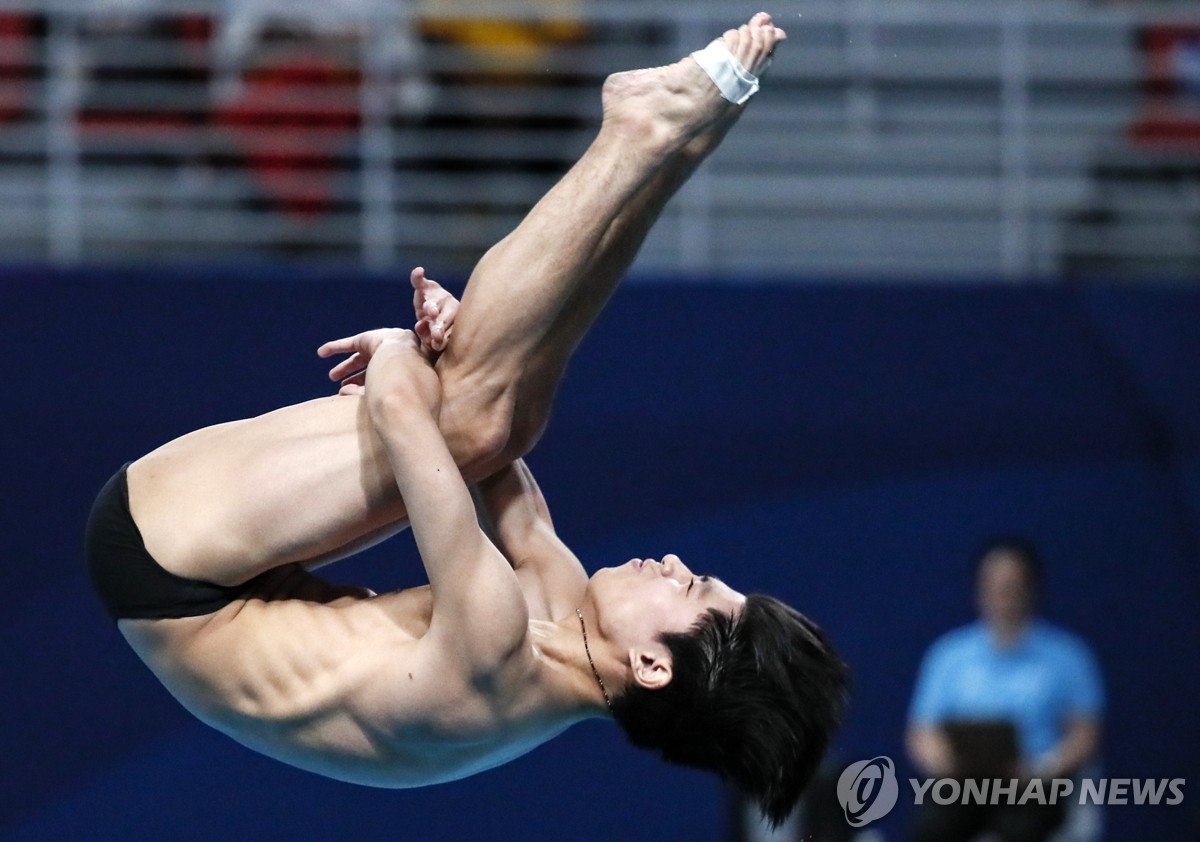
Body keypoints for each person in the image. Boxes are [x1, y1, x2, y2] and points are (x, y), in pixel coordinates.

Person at [85, 14, 848, 827]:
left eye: (689, 584)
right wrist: (467, 339)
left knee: (476, 420)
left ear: (653, 667)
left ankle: (636, 131)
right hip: (239, 575)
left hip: (166, 561)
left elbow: (414, 409)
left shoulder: (491, 659)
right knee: (502, 427)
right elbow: (495, 439)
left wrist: (405, 349)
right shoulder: (564, 620)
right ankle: (673, 150)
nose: (671, 560)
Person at [906, 538, 1104, 842]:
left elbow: (1085, 735)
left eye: (1011, 584)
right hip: (965, 786)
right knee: (932, 829)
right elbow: (922, 731)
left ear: (1031, 587)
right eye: (993, 584)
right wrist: (943, 763)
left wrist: (1042, 769)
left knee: (1019, 831)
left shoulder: (1068, 656)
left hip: (1037, 785)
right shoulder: (948, 655)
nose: (1002, 594)